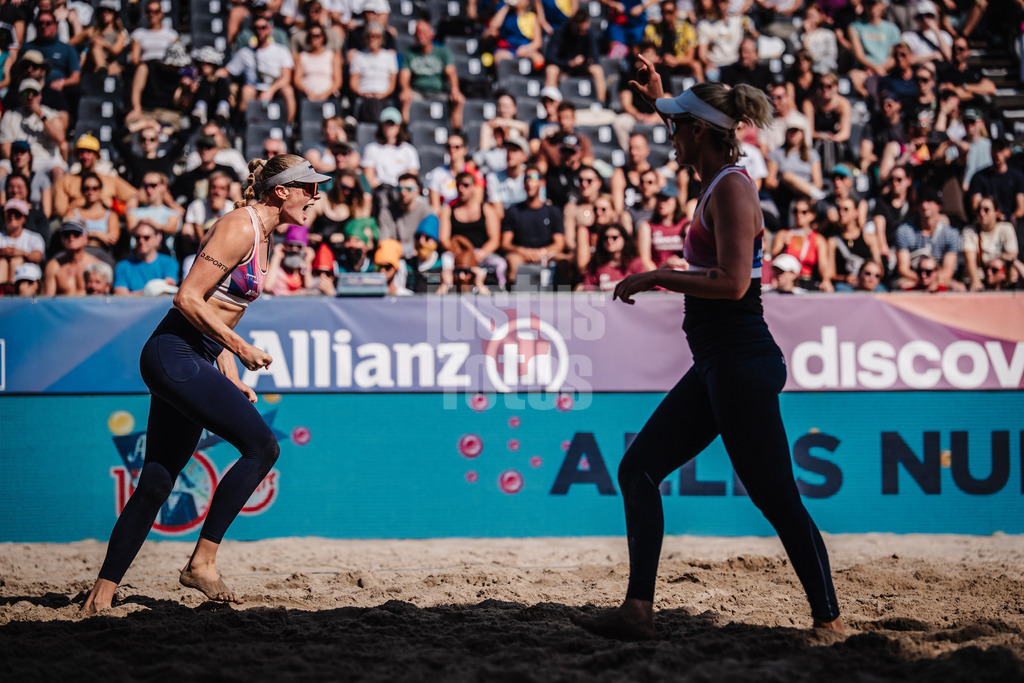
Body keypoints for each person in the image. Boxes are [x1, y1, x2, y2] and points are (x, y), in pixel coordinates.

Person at [573, 66, 844, 640]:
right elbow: (684, 124)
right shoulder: (716, 176)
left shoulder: (733, 188)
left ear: (699, 131)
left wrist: (658, 275)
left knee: (777, 498)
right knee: (638, 470)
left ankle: (829, 620)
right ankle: (638, 610)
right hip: (718, 363)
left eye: (677, 127)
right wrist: (658, 99)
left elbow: (734, 284)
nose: (670, 137)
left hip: (741, 363)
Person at [80, 154, 329, 614]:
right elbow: (187, 298)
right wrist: (240, 348)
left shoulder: (265, 237)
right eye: (309, 188)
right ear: (281, 191)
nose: (316, 197)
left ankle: (102, 592)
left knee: (156, 482)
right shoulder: (238, 226)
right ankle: (202, 563)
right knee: (262, 448)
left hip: (194, 356)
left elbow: (221, 311)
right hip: (173, 353)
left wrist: (231, 376)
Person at [501, 165, 565, 286]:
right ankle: (514, 293)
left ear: (542, 183)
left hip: (547, 253)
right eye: (526, 179)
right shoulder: (513, 211)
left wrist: (542, 252)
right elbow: (505, 243)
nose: (529, 183)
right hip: (521, 254)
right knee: (513, 260)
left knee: (564, 261)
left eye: (534, 178)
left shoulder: (553, 211)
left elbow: (559, 243)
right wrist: (523, 251)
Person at [398, 20, 465, 131]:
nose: (420, 35)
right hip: (417, 92)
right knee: (405, 99)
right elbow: (404, 74)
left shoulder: (442, 51)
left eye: (423, 32)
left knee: (458, 100)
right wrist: (405, 89)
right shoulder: (409, 53)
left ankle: (455, 133)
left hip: (439, 92)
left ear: (431, 34)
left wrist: (455, 89)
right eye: (418, 32)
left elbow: (451, 72)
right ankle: (405, 133)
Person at [112, 220, 180, 295]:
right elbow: (120, 294)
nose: (141, 241)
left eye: (146, 237)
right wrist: (150, 292)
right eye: (137, 237)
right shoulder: (123, 266)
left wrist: (136, 294)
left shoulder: (170, 263)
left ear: (158, 238)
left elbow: (169, 286)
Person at [578, 223, 649, 292]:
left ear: (624, 239)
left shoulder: (635, 263)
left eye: (614, 238)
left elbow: (644, 289)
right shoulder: (596, 265)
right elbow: (589, 291)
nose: (609, 241)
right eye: (606, 238)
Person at [43, 219, 101, 295]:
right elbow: (47, 299)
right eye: (67, 234)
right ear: (62, 239)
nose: (71, 238)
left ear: (86, 238)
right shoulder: (53, 267)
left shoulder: (96, 265)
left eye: (76, 234)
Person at [0, 198, 45, 286]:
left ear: (24, 219)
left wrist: (23, 254)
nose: (12, 217)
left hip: (26, 282)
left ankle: (12, 291)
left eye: (17, 214)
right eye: (9, 214)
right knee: (2, 263)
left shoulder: (34, 237)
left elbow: (37, 257)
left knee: (16, 261)